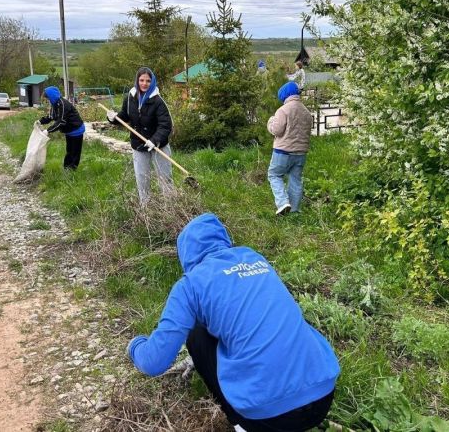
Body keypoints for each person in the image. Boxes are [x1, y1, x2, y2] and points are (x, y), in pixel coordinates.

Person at [127, 213, 339, 432]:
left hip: (268, 417)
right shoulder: (254, 258)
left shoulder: (190, 284)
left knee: (197, 336)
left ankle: (240, 424)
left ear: (185, 254)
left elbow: (154, 362)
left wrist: (135, 346)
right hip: (323, 395)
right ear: (224, 239)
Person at [107, 66, 173, 202]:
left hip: (158, 146)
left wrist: (154, 140)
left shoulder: (158, 101)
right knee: (142, 179)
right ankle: (145, 209)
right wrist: (113, 118)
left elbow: (165, 125)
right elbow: (124, 116)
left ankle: (170, 207)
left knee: (165, 178)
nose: (144, 83)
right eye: (141, 80)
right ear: (137, 80)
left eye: (148, 81)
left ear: (152, 82)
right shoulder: (130, 97)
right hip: (138, 145)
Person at [267, 82, 313, 215]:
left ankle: (282, 203)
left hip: (283, 152)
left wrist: (270, 122)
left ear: (284, 96)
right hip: (301, 153)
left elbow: (277, 130)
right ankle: (294, 211)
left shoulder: (283, 110)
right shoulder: (306, 111)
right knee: (296, 179)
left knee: (274, 175)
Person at [39, 86, 86, 170]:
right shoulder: (55, 104)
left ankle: (72, 171)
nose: (48, 101)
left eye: (48, 98)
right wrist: (40, 121)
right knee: (69, 151)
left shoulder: (63, 104)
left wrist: (48, 131)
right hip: (69, 131)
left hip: (76, 130)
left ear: (52, 96)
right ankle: (66, 169)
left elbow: (61, 122)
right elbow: (51, 117)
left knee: (75, 152)